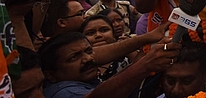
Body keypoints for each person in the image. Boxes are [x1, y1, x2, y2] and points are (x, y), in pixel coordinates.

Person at [39, 32, 179, 98]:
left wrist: (146, 55)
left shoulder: (84, 80)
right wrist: (145, 65)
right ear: (51, 75)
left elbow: (114, 85)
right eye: (74, 57)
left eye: (89, 51)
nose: (87, 59)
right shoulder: (62, 92)